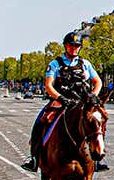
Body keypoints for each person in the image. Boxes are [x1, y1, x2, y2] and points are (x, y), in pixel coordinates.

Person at [21, 32, 107, 172]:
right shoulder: (55, 64)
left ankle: (98, 156)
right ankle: (34, 158)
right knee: (41, 121)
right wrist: (60, 98)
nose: (74, 48)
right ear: (66, 46)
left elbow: (98, 81)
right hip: (61, 101)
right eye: (71, 45)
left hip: (81, 102)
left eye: (76, 46)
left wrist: (93, 97)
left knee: (98, 123)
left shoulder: (85, 64)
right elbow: (48, 86)